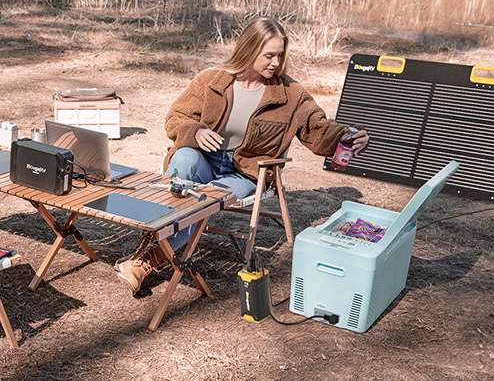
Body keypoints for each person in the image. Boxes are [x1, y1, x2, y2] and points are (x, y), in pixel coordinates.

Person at [115, 17, 369, 294]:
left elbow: (318, 131)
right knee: (183, 160)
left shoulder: (291, 94)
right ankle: (152, 247)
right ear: (248, 50)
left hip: (245, 172)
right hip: (205, 159)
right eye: (269, 55)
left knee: (204, 199)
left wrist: (346, 135)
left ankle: (146, 260)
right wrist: (196, 132)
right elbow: (176, 118)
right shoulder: (211, 81)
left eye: (280, 56)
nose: (275, 63)